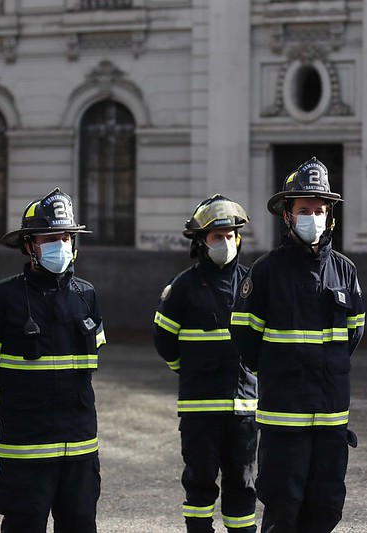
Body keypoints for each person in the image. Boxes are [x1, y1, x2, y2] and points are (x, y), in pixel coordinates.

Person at [230, 157, 365, 533]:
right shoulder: (265, 271)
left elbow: (354, 333)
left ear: (329, 216)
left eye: (319, 211)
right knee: (283, 508)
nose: (313, 218)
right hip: (283, 419)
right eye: (304, 210)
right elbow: (245, 337)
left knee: (326, 509)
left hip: (330, 419)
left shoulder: (345, 270)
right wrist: (280, 371)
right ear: (287, 215)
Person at [0, 188, 105, 533]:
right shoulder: (2, 297)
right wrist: (8, 410)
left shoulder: (86, 295)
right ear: (29, 246)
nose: (61, 245)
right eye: (50, 238)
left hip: (80, 448)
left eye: (66, 237)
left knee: (81, 525)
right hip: (25, 450)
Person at [153, 194, 258, 533]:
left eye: (230, 235)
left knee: (243, 482)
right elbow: (164, 341)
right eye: (217, 236)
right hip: (199, 409)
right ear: (201, 241)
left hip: (243, 409)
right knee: (199, 481)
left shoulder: (252, 284)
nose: (225, 242)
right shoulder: (183, 287)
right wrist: (191, 371)